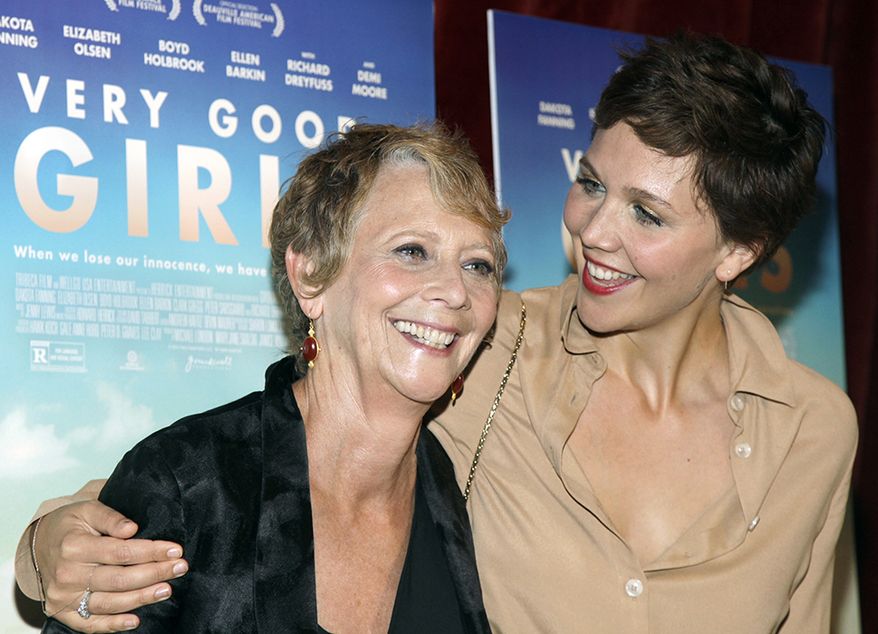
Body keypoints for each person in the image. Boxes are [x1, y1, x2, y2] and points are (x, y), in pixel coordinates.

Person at [17, 33, 857, 633]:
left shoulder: (813, 429)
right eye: (592, 184)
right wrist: (44, 542)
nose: (594, 231)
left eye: (647, 213)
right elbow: (249, 472)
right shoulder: (484, 347)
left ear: (739, 251)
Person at [27, 122, 507, 632]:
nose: (455, 291)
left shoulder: (451, 484)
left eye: (478, 265)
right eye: (412, 251)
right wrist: (37, 543)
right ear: (310, 275)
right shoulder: (189, 482)